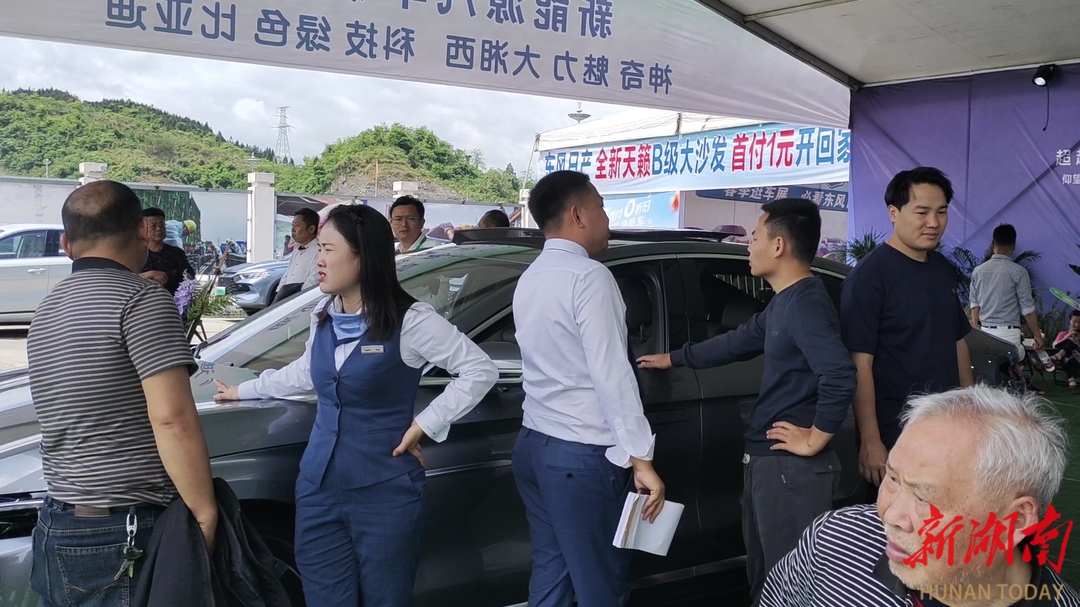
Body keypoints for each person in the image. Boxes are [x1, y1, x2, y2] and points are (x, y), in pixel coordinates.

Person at [212, 203, 498, 606]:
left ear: (362, 256)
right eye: (320, 249)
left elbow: (478, 370)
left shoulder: (411, 320)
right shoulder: (324, 313)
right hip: (318, 488)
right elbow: (306, 371)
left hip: (384, 491)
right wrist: (243, 391)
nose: (319, 260)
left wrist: (424, 425)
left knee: (385, 598)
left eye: (329, 249)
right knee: (325, 597)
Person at [638, 199, 856, 604]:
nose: (749, 246)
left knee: (789, 585)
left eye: (754, 237)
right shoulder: (786, 302)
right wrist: (674, 358)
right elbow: (737, 342)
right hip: (769, 461)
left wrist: (815, 438)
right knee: (765, 578)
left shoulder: (806, 304)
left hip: (792, 469)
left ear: (778, 245)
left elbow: (839, 374)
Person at [27, 180, 217, 607]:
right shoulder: (142, 300)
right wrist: (204, 513)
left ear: (66, 244)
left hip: (57, 521)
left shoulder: (46, 309)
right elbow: (172, 418)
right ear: (142, 233)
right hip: (123, 532)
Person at [759, 385, 1078, 607]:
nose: (889, 515)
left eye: (924, 498)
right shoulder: (836, 539)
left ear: (1014, 520)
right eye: (893, 479)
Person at [512, 170, 665, 607]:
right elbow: (612, 374)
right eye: (601, 206)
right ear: (578, 215)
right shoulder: (589, 277)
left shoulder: (530, 276)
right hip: (581, 455)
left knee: (553, 573)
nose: (606, 218)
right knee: (600, 583)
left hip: (535, 445)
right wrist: (642, 459)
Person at [841, 167, 973, 503]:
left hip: (945, 427)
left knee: (948, 519)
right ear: (893, 212)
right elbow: (860, 362)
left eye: (941, 212)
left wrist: (969, 411)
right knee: (900, 524)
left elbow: (958, 341)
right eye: (922, 212)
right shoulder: (870, 277)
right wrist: (871, 439)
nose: (933, 222)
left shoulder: (942, 269)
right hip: (896, 432)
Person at [969, 224, 1043, 356]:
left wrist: (976, 329)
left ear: (992, 244)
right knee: (1015, 361)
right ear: (1014, 246)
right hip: (1010, 335)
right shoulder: (1019, 272)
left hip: (985, 333)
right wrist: (1037, 335)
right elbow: (1027, 309)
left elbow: (974, 305)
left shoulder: (978, 271)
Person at [140, 207, 195, 295]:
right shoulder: (135, 254)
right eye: (153, 226)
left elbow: (190, 275)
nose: (158, 228)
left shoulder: (177, 253)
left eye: (162, 225)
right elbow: (124, 278)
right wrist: (149, 275)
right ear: (142, 229)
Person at [271, 208, 320, 304]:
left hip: (302, 302)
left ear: (311, 229)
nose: (292, 229)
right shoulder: (296, 250)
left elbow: (313, 281)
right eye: (292, 225)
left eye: (297, 226)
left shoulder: (320, 251)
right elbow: (287, 275)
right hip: (286, 301)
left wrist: (293, 298)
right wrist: (278, 294)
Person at [1049, 310, 1080, 389]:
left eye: (1079, 322)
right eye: (1074, 322)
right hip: (1065, 360)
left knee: (1073, 350)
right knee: (1071, 346)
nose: (1077, 325)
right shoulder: (1063, 333)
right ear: (1070, 321)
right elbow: (1055, 346)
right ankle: (1071, 378)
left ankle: (1058, 356)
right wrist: (1068, 336)